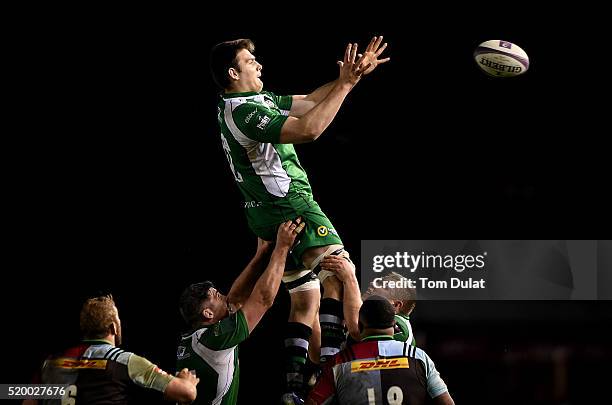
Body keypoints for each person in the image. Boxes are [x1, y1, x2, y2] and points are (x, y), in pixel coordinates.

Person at [209, 35, 389, 402]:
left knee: (306, 299)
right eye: (249, 61)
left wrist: (347, 79)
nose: (259, 65)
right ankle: (332, 371)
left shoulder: (246, 102)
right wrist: (348, 85)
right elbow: (309, 128)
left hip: (264, 216)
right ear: (232, 72)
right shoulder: (245, 112)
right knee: (340, 272)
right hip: (290, 206)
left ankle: (294, 388)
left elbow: (309, 101)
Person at [176, 218, 304, 405]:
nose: (225, 298)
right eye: (218, 296)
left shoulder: (195, 338)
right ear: (208, 314)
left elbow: (234, 301)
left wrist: (261, 255)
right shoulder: (214, 340)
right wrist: (282, 247)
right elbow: (262, 300)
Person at [25, 294, 199, 405]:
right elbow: (186, 393)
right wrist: (187, 381)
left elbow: (23, 398)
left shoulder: (50, 363)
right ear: (113, 328)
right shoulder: (125, 361)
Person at [306, 296, 455, 405]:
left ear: (359, 325)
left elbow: (313, 402)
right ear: (395, 325)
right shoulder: (419, 357)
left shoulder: (339, 362)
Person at [363, 271, 417, 345]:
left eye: (385, 287)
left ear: (396, 305)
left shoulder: (400, 328)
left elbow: (356, 334)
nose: (372, 284)